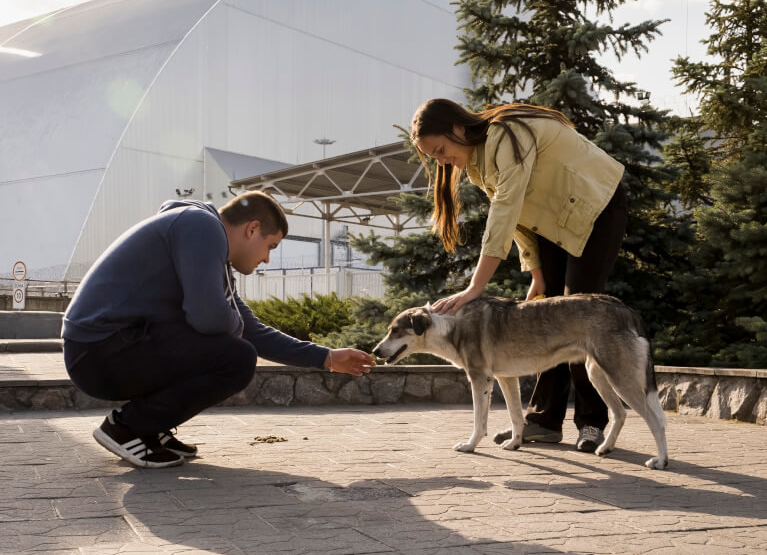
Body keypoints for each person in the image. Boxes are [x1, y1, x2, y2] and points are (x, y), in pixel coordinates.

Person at [62, 191, 376, 468]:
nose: (267, 259)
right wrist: (232, 324)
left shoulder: (206, 244)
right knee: (236, 357)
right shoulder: (200, 226)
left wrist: (327, 357)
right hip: (100, 352)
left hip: (108, 349)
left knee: (235, 349)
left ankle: (149, 426)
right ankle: (127, 427)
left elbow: (246, 328)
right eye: (271, 246)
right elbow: (209, 318)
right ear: (252, 229)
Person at [410, 98, 628, 453]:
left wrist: (475, 287)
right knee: (546, 315)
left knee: (577, 315)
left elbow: (505, 210)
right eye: (433, 157)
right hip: (555, 218)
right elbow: (521, 219)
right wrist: (536, 272)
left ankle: (592, 422)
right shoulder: (478, 163)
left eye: (440, 150)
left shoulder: (505, 136)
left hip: (597, 206)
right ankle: (544, 420)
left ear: (458, 129)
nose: (442, 161)